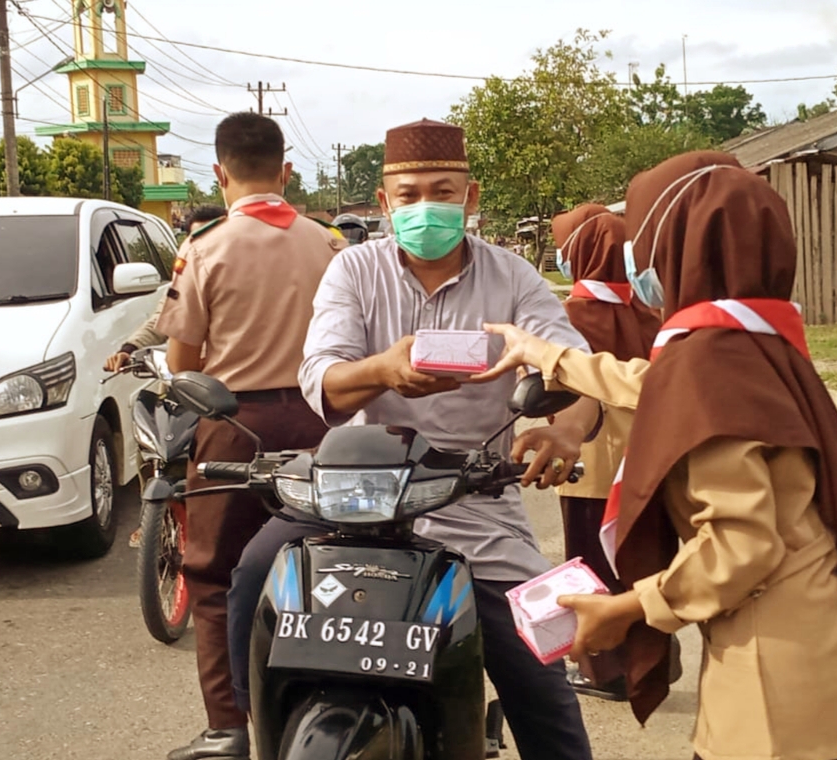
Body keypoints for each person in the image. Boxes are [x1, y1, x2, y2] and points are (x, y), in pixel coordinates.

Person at [479, 151, 837, 760]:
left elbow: (741, 545)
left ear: (674, 246)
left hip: (778, 705)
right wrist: (550, 357)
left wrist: (626, 609)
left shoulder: (711, 363)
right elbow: (663, 387)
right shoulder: (757, 340)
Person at [227, 119, 600, 760]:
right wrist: (384, 370)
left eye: (443, 191)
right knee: (254, 576)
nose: (426, 206)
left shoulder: (514, 280)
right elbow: (321, 378)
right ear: (384, 203)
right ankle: (248, 731)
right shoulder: (351, 271)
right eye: (409, 195)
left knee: (537, 669)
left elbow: (578, 369)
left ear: (470, 197)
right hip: (352, 494)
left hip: (473, 492)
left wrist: (565, 430)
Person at [156, 112, 346, 760]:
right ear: (286, 170)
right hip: (326, 427)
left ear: (219, 171)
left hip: (234, 430)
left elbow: (182, 365)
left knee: (212, 579)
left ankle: (230, 729)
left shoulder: (204, 249)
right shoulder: (330, 245)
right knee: (331, 564)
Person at [546, 204, 662, 702]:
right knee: (639, 564)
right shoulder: (646, 312)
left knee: (589, 562)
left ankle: (602, 670)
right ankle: (647, 667)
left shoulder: (569, 315)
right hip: (644, 463)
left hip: (590, 466)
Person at [103, 205, 226, 374]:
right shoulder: (186, 279)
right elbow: (161, 321)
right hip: (193, 384)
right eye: (198, 238)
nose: (204, 247)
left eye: (212, 238)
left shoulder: (242, 279)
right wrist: (128, 349)